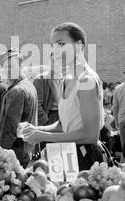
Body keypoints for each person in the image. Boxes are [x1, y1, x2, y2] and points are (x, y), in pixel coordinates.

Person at [22, 22, 104, 171]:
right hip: (67, 153)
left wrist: (43, 136)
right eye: (53, 46)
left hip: (85, 156)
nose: (56, 50)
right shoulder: (65, 80)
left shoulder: (86, 80)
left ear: (78, 45)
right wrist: (36, 129)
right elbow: (63, 125)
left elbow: (90, 135)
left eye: (61, 44)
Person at [0, 49, 38, 168]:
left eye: (11, 66)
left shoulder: (17, 91)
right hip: (25, 150)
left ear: (21, 66)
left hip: (15, 154)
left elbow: (10, 128)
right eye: (5, 67)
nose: (8, 70)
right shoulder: (28, 85)